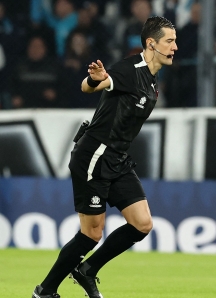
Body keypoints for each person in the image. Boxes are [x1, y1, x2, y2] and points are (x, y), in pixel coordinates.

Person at [31, 16, 177, 298]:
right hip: (94, 156)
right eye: (169, 41)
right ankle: (45, 291)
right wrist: (93, 79)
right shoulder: (129, 68)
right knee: (92, 233)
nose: (175, 47)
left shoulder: (152, 79)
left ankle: (87, 270)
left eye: (174, 41)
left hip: (118, 159)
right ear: (151, 43)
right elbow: (94, 85)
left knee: (142, 223)